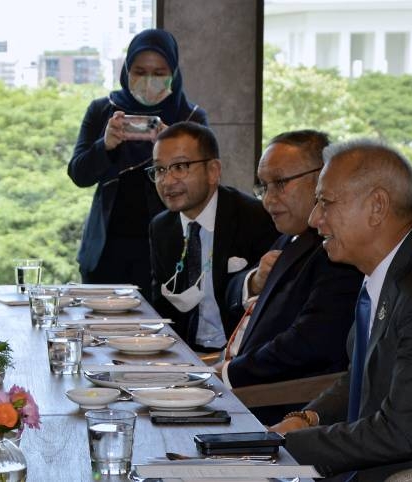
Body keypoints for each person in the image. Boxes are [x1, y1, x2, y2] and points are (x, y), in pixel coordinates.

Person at [270, 140, 412, 481]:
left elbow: (401, 433)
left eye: (325, 202)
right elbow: (364, 373)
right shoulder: (388, 270)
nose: (314, 219)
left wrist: (286, 447)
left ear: (377, 207)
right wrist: (309, 417)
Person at [217, 130, 362, 424]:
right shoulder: (290, 237)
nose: (268, 200)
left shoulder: (336, 250)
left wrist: (229, 374)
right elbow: (235, 300)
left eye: (280, 184)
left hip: (277, 408)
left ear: (323, 177)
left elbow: (310, 343)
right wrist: (254, 281)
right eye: (264, 186)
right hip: (239, 386)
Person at [69, 28, 208, 289]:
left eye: (159, 73)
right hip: (105, 251)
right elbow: (79, 174)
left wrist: (175, 150)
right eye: (140, 72)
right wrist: (106, 145)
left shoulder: (191, 118)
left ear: (174, 73)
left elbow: (206, 184)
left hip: (170, 247)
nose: (148, 80)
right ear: (126, 71)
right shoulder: (103, 110)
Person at [147, 122, 278, 352]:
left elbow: (272, 309)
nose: (167, 181)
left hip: (240, 355)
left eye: (180, 166)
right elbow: (162, 309)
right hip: (185, 354)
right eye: (159, 170)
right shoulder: (162, 227)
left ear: (213, 171)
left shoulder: (256, 218)